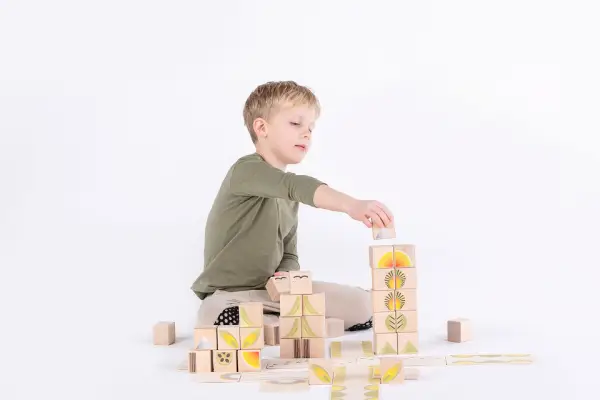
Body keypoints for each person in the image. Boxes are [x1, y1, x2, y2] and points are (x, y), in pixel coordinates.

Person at [192, 81, 394, 331]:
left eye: (311, 127)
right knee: (213, 311)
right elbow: (295, 185)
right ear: (261, 127)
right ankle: (289, 321)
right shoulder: (245, 171)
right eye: (296, 124)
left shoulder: (288, 197)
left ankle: (278, 322)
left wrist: (287, 277)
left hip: (272, 296)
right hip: (232, 294)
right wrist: (351, 205)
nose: (307, 133)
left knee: (364, 303)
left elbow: (288, 253)